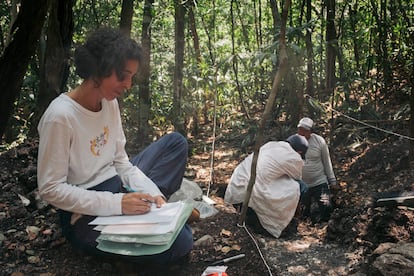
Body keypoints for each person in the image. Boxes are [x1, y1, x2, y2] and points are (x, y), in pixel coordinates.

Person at [36, 27, 193, 265]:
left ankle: (148, 212)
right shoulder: (60, 116)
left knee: (175, 143)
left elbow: (121, 162)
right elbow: (51, 189)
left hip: (115, 185)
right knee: (179, 243)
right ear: (98, 69)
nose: (128, 84)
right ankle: (135, 231)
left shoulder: (109, 103)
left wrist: (154, 195)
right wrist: (117, 204)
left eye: (132, 76)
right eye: (122, 75)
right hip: (83, 212)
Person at [224, 134, 308, 238]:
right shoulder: (294, 157)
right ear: (299, 152)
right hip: (253, 193)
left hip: (237, 188)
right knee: (300, 187)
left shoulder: (270, 145)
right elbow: (296, 176)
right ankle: (286, 222)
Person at [297, 117, 337, 222]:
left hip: (319, 181)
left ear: (310, 131)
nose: (302, 132)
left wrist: (332, 180)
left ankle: (326, 228)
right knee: (302, 212)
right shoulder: (293, 142)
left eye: (305, 130)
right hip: (302, 183)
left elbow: (326, 161)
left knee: (326, 206)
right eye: (300, 129)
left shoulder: (319, 141)